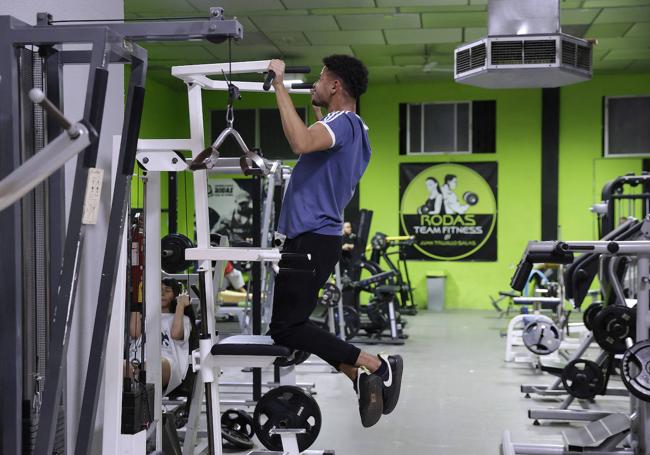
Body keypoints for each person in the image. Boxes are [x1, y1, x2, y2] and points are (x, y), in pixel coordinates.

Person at [266, 55, 403, 428]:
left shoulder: (343, 124)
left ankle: (375, 365)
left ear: (336, 85)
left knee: (286, 328)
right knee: (290, 324)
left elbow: (298, 142)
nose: (317, 82)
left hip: (310, 238)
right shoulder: (352, 128)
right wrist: (314, 107)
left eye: (321, 78)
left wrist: (279, 84)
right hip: (314, 239)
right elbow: (317, 149)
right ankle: (357, 376)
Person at [128, 278, 192, 395]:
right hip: (139, 359)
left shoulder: (182, 319)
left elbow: (176, 334)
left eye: (167, 291)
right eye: (159, 290)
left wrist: (180, 305)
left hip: (167, 361)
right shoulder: (145, 317)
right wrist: (138, 298)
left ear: (175, 295)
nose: (162, 293)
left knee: (152, 364)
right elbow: (134, 333)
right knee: (120, 365)